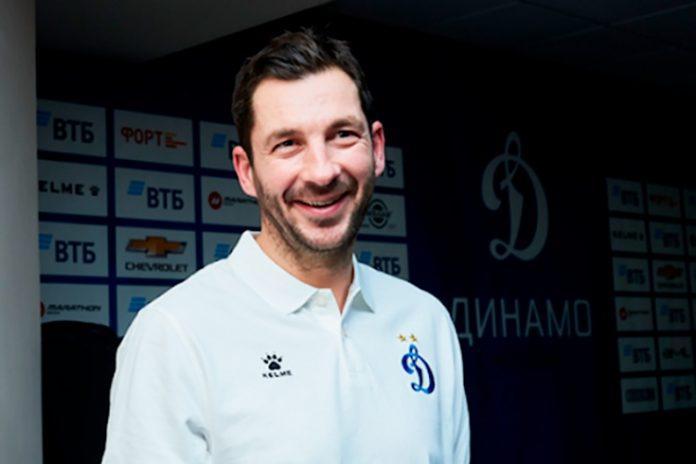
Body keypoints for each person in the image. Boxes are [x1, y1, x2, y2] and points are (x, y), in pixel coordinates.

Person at [101, 29, 470, 463]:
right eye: (288, 144)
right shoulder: (175, 333)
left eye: (342, 135)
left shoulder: (426, 320)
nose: (321, 172)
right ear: (246, 171)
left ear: (376, 148)